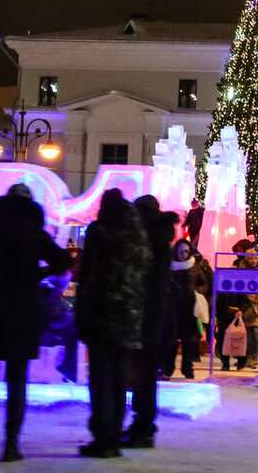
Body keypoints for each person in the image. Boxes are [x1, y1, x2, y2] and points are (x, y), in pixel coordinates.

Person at [0, 192, 71, 462]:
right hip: (22, 313)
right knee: (17, 381)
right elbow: (63, 261)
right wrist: (37, 274)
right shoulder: (34, 234)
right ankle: (10, 445)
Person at [75, 189, 150, 458]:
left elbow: (89, 277)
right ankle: (114, 436)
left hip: (102, 314)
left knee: (101, 378)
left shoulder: (99, 232)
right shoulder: (139, 236)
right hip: (130, 315)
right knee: (119, 378)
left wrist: (82, 314)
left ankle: (103, 438)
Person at [122, 195, 180, 449]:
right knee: (144, 373)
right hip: (155, 315)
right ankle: (143, 425)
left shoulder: (150, 242)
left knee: (142, 374)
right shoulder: (161, 240)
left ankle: (143, 426)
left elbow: (150, 283)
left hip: (146, 314)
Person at [162, 239, 205, 378]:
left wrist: (197, 292)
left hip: (190, 309)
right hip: (172, 308)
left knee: (190, 341)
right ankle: (168, 368)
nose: (183, 254)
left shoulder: (195, 266)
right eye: (180, 251)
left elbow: (204, 284)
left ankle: (187, 368)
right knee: (171, 341)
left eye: (186, 251)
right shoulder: (169, 266)